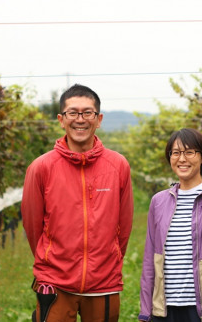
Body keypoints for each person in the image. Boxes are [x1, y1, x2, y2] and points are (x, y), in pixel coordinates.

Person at [21, 84, 134, 322]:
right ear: (61, 120)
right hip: (55, 283)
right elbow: (32, 227)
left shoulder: (118, 165)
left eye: (87, 113)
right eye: (73, 113)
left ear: (99, 119)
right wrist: (51, 260)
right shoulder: (41, 167)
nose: (80, 119)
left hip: (104, 283)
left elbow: (123, 226)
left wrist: (107, 259)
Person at [138, 128, 202, 322]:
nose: (182, 159)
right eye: (176, 153)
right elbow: (149, 260)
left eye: (189, 152)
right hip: (164, 309)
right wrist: (146, 310)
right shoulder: (159, 201)